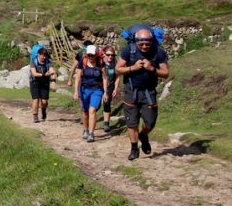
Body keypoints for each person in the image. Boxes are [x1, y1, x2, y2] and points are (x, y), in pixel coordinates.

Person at [116, 26, 170, 161]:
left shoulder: (158, 52)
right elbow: (117, 69)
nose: (145, 46)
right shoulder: (129, 50)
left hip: (149, 92)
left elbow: (166, 73)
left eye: (147, 43)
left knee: (150, 122)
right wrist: (132, 68)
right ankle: (134, 148)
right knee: (132, 123)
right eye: (142, 44)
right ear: (136, 41)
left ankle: (144, 135)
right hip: (130, 91)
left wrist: (151, 68)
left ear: (152, 41)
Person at [72, 45, 108, 142]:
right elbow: (78, 77)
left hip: (97, 90)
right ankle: (86, 129)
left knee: (92, 110)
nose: (90, 57)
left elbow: (105, 78)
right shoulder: (82, 61)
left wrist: (105, 92)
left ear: (96, 54)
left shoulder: (101, 63)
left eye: (92, 55)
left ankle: (91, 134)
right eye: (89, 55)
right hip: (84, 90)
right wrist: (76, 91)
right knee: (84, 111)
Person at [29, 46, 56, 123]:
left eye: (45, 56)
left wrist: (53, 81)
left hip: (44, 82)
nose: (43, 57)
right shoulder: (33, 61)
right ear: (38, 54)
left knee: (44, 102)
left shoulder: (48, 62)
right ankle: (35, 116)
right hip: (34, 82)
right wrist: (44, 74)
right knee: (36, 99)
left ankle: (43, 110)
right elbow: (34, 73)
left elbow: (52, 71)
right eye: (42, 55)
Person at [101, 45, 121, 132]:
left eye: (112, 55)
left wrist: (115, 89)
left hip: (110, 86)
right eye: (108, 55)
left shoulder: (115, 63)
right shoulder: (100, 62)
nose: (110, 57)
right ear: (104, 54)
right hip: (98, 85)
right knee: (96, 104)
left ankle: (106, 123)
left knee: (106, 103)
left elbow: (117, 77)